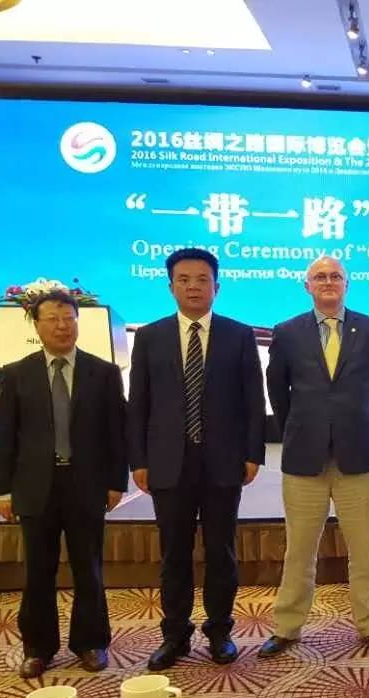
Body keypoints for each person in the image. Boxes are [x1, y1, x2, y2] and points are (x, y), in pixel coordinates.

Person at [127, 248, 266, 670]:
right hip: (168, 462)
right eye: (184, 279)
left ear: (216, 287)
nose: (193, 287)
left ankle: (220, 631)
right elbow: (139, 404)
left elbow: (253, 401)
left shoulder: (238, 335)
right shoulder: (150, 337)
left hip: (223, 461)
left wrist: (253, 453)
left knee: (221, 551)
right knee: (174, 554)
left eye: (202, 279)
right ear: (171, 286)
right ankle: (175, 635)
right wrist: (138, 460)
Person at [258, 257, 369, 658]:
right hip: (305, 460)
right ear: (307, 286)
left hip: (359, 458)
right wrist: (301, 429)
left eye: (336, 276)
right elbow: (277, 391)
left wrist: (367, 426)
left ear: (346, 284)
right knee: (299, 550)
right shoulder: (287, 332)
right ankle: (287, 627)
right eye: (320, 276)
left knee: (365, 549)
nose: (328, 282)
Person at [0, 290, 126, 678]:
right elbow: (4, 437)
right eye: (52, 319)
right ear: (36, 326)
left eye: (69, 318)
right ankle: (38, 648)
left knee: (89, 569)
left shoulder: (103, 372)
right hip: (34, 487)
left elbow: (116, 433)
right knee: (38, 571)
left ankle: (91, 642)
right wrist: (3, 490)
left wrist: (115, 482)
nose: (62, 326)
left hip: (87, 484)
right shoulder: (17, 373)